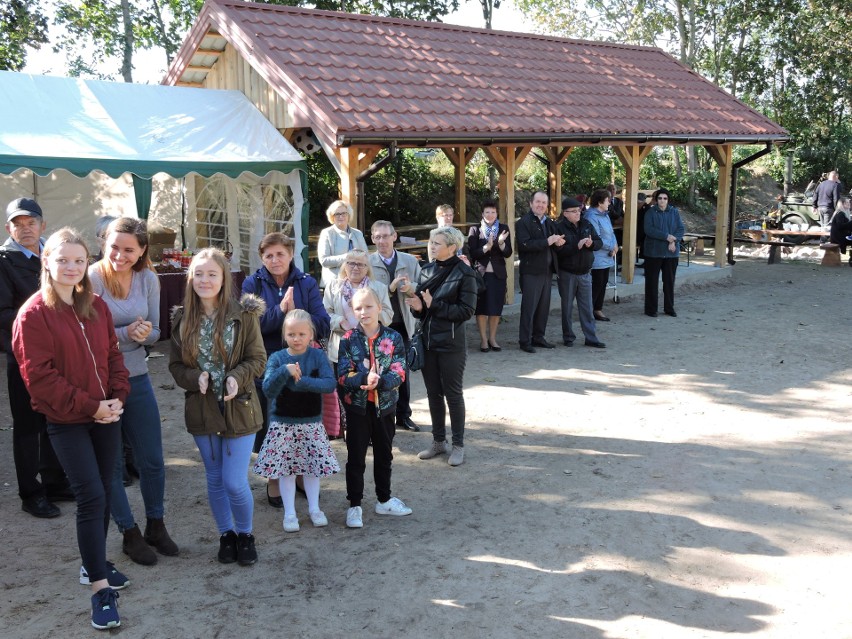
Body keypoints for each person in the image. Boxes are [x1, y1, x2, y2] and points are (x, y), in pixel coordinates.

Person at [13, 227, 130, 630]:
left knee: (105, 492)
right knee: (91, 497)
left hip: (106, 416)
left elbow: (114, 356)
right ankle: (99, 589)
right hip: (67, 421)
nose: (71, 267)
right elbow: (41, 379)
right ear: (47, 260)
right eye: (63, 259)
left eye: (79, 260)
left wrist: (117, 399)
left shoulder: (96, 304)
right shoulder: (33, 314)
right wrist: (91, 406)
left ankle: (91, 563)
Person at [89, 217, 178, 567]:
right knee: (109, 465)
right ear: (104, 243)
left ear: (142, 251)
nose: (119, 255)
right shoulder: (91, 277)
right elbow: (87, 333)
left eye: (129, 249)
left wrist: (146, 334)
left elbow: (158, 331)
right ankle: (129, 533)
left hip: (137, 376)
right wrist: (128, 334)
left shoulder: (148, 278)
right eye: (114, 247)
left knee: (152, 459)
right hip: (100, 382)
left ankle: (156, 524)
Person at [168, 248, 266, 566]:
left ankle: (246, 534)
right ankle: (226, 535)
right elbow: (175, 367)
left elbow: (258, 360)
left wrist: (237, 377)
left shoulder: (244, 315)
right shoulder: (182, 319)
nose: (205, 280)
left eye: (212, 274)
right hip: (202, 409)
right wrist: (194, 377)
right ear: (190, 278)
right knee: (214, 478)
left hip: (239, 407)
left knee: (234, 481)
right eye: (198, 274)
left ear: (224, 278)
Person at [241, 232, 329, 505]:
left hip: (303, 367)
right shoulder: (251, 283)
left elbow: (323, 324)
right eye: (268, 255)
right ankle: (274, 479)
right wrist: (279, 311)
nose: (275, 260)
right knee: (272, 425)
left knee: (302, 423)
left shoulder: (307, 283)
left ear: (291, 254)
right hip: (268, 363)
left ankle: (300, 475)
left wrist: (296, 318)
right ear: (261, 258)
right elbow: (249, 326)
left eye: (280, 254)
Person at [0, 198, 70, 519]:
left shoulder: (57, 255)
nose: (25, 229)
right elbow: (3, 316)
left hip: (61, 356)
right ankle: (31, 492)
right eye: (18, 223)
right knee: (28, 426)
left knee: (55, 419)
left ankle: (55, 481)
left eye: (31, 223)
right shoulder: (4, 261)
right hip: (26, 358)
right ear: (8, 228)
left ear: (43, 225)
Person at [253, 309, 339, 532]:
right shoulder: (278, 358)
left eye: (301, 334)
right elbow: (268, 388)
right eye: (291, 334)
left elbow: (329, 383)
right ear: (284, 334)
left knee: (311, 469)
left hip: (311, 423)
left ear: (310, 334)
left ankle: (314, 509)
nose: (297, 339)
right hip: (283, 425)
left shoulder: (317, 356)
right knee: (287, 470)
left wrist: (300, 383)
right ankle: (290, 513)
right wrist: (285, 371)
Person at [338, 287, 412, 528]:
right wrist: (362, 379)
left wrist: (380, 382)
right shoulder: (348, 339)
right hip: (358, 408)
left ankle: (384, 498)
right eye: (358, 308)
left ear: (379, 307)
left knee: (384, 454)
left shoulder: (394, 337)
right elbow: (342, 375)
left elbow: (399, 371)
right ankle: (355, 505)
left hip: (386, 407)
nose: (363, 312)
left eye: (368, 306)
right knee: (356, 457)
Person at [408, 226, 478, 467]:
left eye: (437, 243)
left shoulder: (465, 273)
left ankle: (458, 445)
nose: (432, 246)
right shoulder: (426, 271)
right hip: (428, 342)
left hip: (451, 344)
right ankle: (439, 442)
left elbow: (466, 312)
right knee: (433, 394)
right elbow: (420, 311)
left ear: (452, 247)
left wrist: (433, 304)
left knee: (453, 395)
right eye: (431, 242)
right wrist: (416, 307)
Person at [368, 220, 422, 431]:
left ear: (394, 236)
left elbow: (422, 286)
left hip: (404, 325)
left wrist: (410, 287)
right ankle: (379, 418)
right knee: (375, 371)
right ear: (372, 239)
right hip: (378, 325)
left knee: (402, 373)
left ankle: (404, 415)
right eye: (377, 237)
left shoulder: (409, 261)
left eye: (385, 236)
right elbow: (364, 293)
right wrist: (388, 290)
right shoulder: (368, 263)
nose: (382, 241)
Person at [323, 248, 393, 372]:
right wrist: (339, 321)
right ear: (345, 266)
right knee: (344, 387)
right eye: (351, 263)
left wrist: (371, 316)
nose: (355, 268)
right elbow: (324, 314)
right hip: (342, 346)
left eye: (360, 264)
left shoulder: (379, 288)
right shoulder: (333, 287)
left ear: (367, 268)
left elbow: (388, 315)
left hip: (372, 346)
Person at [515, 191, 564, 353]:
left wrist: (559, 243)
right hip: (531, 271)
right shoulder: (523, 222)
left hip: (547, 271)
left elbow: (555, 242)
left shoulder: (549, 222)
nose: (541, 205)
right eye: (538, 202)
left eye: (544, 202)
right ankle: (524, 340)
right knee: (529, 307)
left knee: (543, 307)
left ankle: (538, 337)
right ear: (531, 203)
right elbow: (524, 245)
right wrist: (547, 241)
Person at [554, 197, 605, 348]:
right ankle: (568, 337)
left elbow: (599, 242)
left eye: (579, 210)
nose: (578, 213)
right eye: (574, 211)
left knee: (587, 308)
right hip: (567, 273)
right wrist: (577, 246)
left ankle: (591, 338)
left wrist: (591, 244)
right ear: (565, 213)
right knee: (567, 307)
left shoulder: (586, 224)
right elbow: (559, 252)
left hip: (585, 273)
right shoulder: (559, 228)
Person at [467, 199, 512, 352]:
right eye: (487, 212)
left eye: (493, 212)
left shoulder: (504, 228)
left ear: (497, 213)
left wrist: (501, 244)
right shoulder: (474, 229)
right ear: (482, 214)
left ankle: (493, 338)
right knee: (481, 308)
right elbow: (472, 253)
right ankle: (483, 340)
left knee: (495, 308)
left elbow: (508, 253)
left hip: (498, 274)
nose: (490, 214)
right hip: (481, 274)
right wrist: (486, 248)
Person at [643, 188, 685, 318]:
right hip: (653, 253)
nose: (662, 201)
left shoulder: (674, 212)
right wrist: (666, 236)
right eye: (660, 198)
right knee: (651, 282)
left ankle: (669, 308)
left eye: (665, 198)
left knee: (669, 282)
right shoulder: (650, 212)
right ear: (656, 200)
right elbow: (649, 229)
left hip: (671, 253)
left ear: (668, 200)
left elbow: (680, 228)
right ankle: (651, 309)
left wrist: (673, 240)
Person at [584, 189, 618, 323]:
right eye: (607, 200)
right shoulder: (591, 216)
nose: (610, 202)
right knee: (596, 284)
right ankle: (589, 311)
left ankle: (598, 309)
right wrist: (611, 246)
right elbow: (596, 238)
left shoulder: (605, 215)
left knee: (603, 283)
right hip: (597, 256)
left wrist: (615, 245)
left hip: (607, 256)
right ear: (599, 202)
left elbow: (611, 232)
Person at [317, 200, 368, 288]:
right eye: (337, 214)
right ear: (332, 217)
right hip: (335, 284)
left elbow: (366, 256)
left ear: (349, 215)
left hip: (358, 283)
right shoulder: (326, 233)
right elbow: (324, 261)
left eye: (344, 213)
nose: (341, 216)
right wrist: (348, 257)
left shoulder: (357, 233)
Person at [829, 196, 852, 266]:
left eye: (849, 202)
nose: (849, 204)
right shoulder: (840, 213)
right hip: (838, 237)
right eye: (847, 203)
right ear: (842, 204)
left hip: (841, 235)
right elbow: (840, 226)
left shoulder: (844, 213)